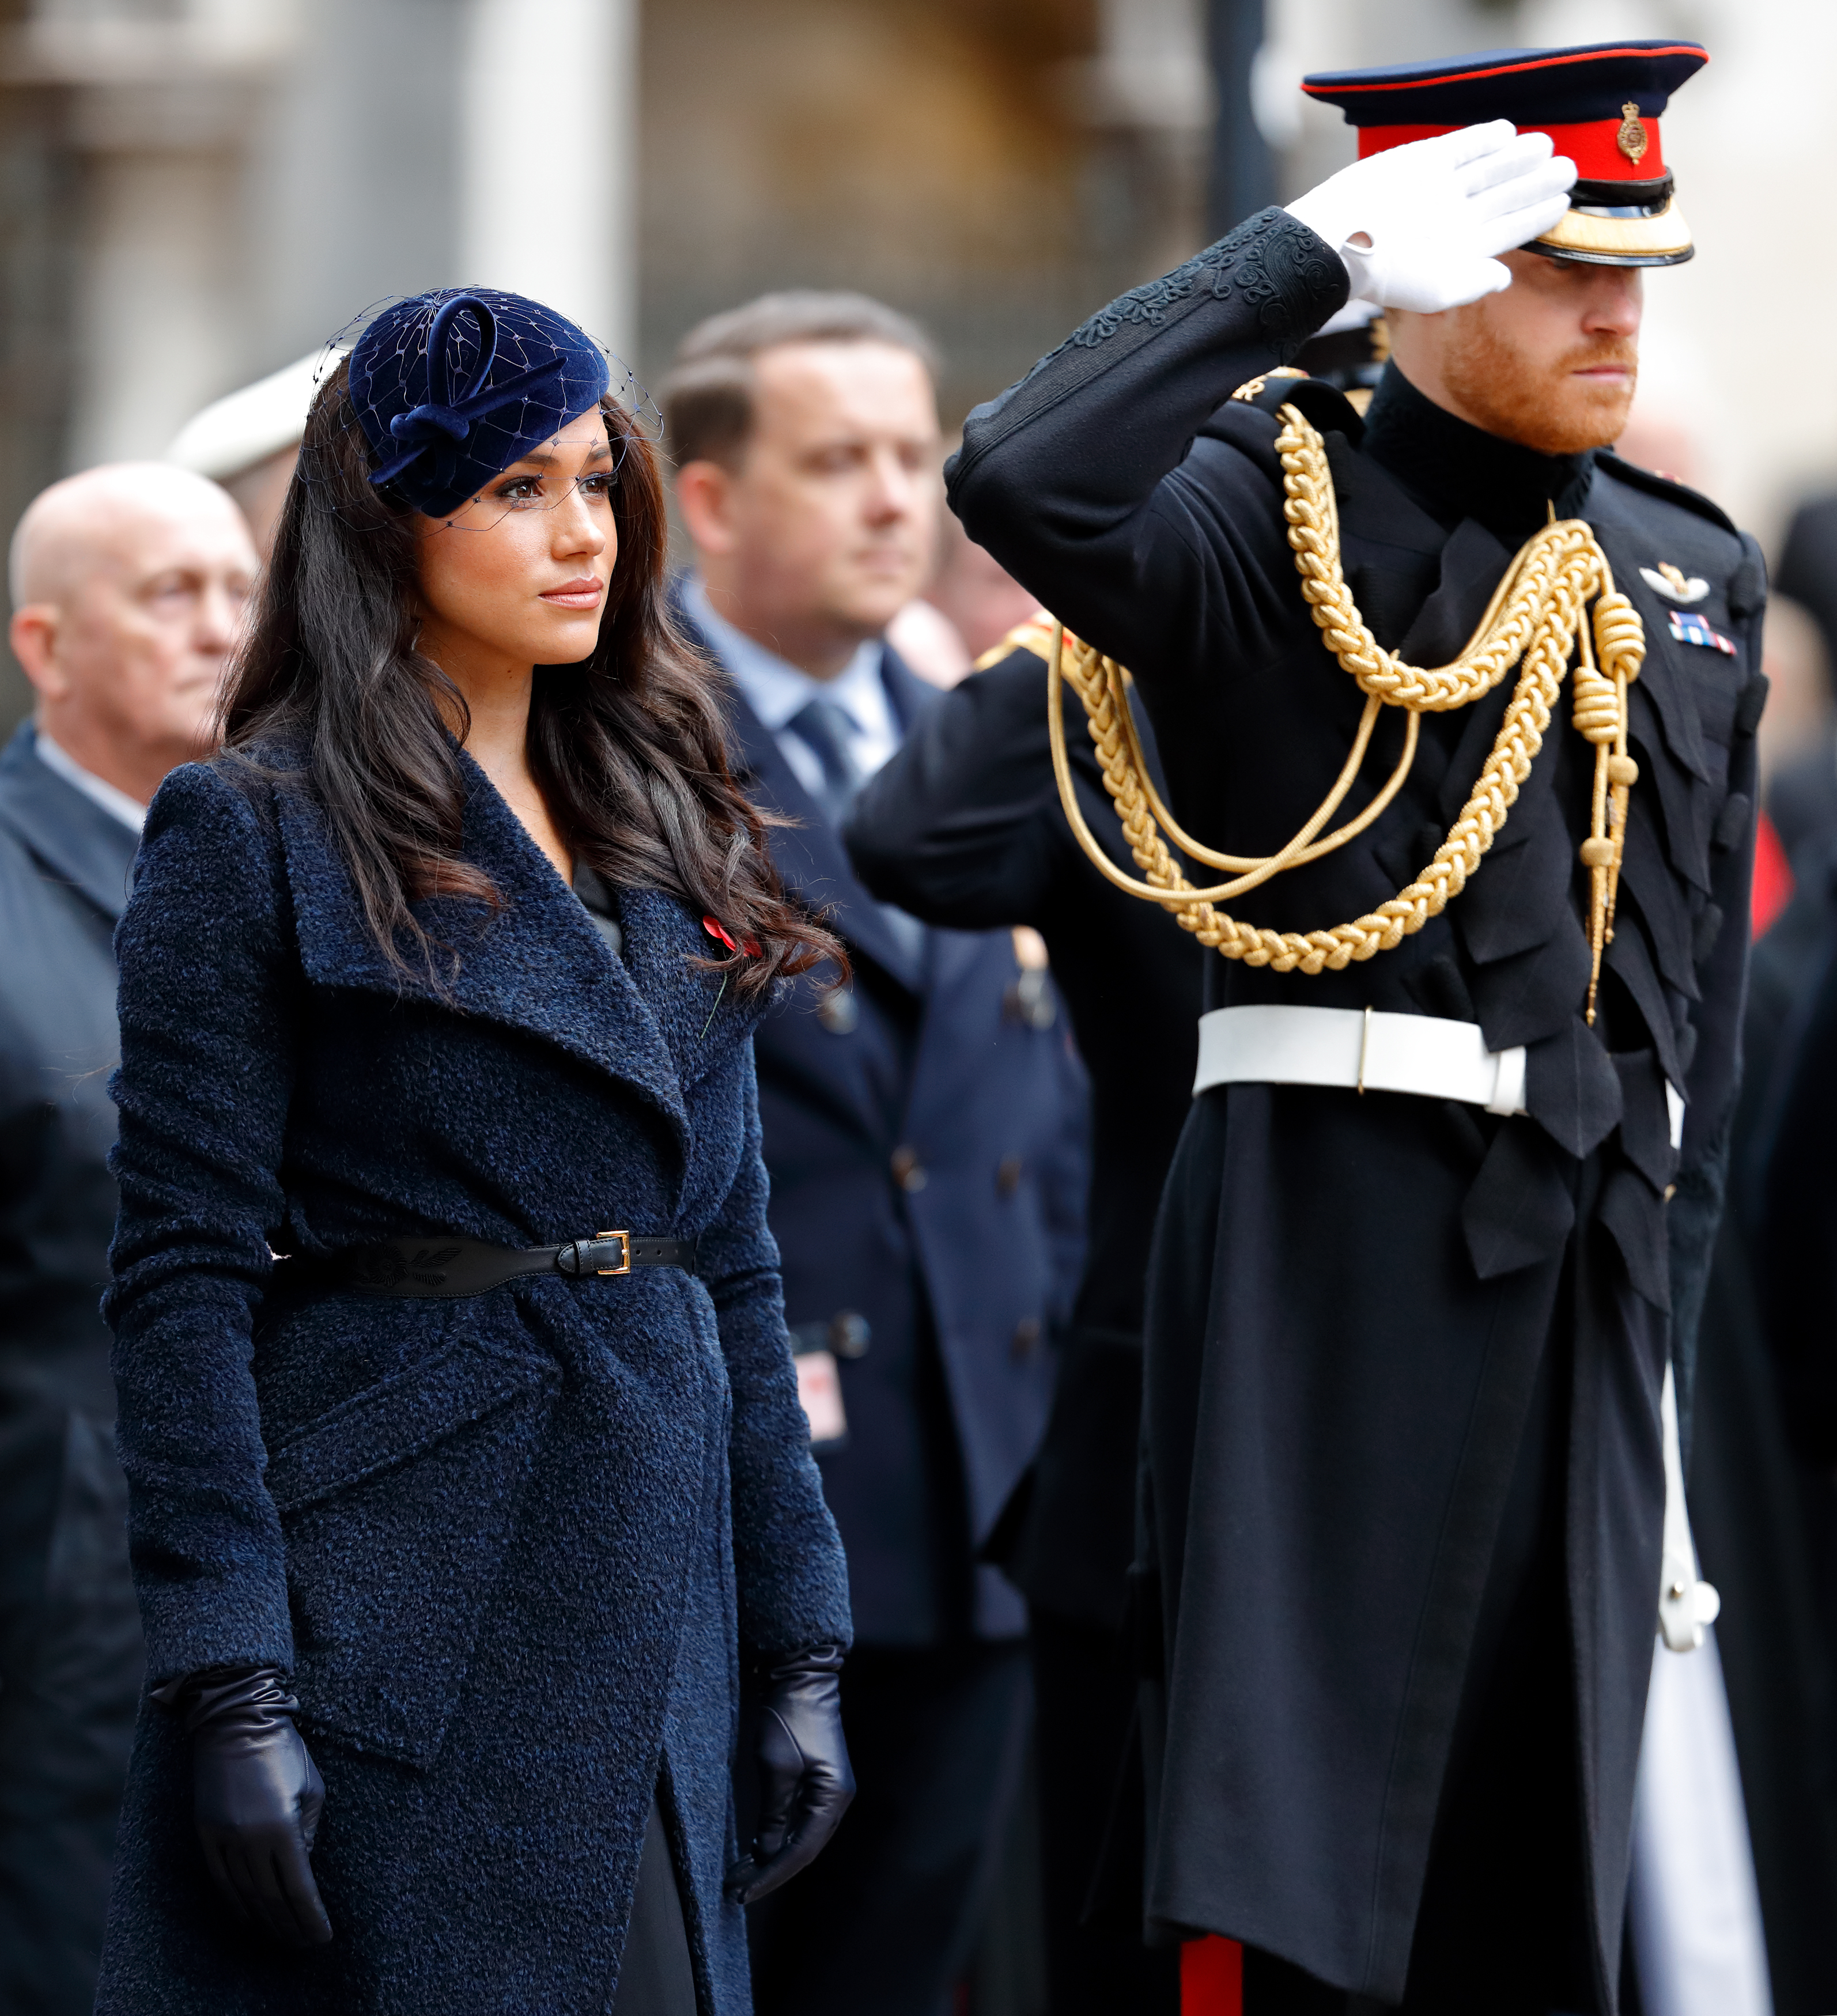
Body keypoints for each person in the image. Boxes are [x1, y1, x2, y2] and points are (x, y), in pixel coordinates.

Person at [948, 39, 1761, 2016]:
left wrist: (1654, 1335)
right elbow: (1019, 473)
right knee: (1290, 1897)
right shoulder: (1261, 506)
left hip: (1581, 1299)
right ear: (1426, 272)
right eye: (1558, 267)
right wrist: (1295, 263)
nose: (1613, 312)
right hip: (1326, 1275)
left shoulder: (1682, 569)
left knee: (1537, 1902)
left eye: (1633, 270)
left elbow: (1694, 1049)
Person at [92, 289, 853, 2016]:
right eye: (515, 488)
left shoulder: (662, 810)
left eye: (595, 481)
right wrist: (231, 1674)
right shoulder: (253, 824)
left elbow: (732, 1259)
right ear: (387, 520)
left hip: (661, 1554)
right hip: (396, 1583)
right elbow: (182, 1274)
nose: (582, 533)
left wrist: (801, 1633)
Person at [660, 292, 1088, 2016]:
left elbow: (1047, 1112)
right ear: (707, 500)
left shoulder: (981, 729)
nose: (898, 498)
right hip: (746, 1512)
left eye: (916, 456)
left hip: (979, 1490)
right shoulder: (622, 745)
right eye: (838, 460)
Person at [846, 607, 1200, 2016]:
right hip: (1087, 1447)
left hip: (1356, 1414)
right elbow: (906, 838)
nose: (886, 505)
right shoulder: (1103, 692)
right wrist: (1108, 601)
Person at [1, 463, 255, 2016]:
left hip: (300, 1596)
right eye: (172, 594)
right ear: (46, 645)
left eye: (240, 589)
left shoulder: (302, 872)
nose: (224, 628)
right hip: (70, 1631)